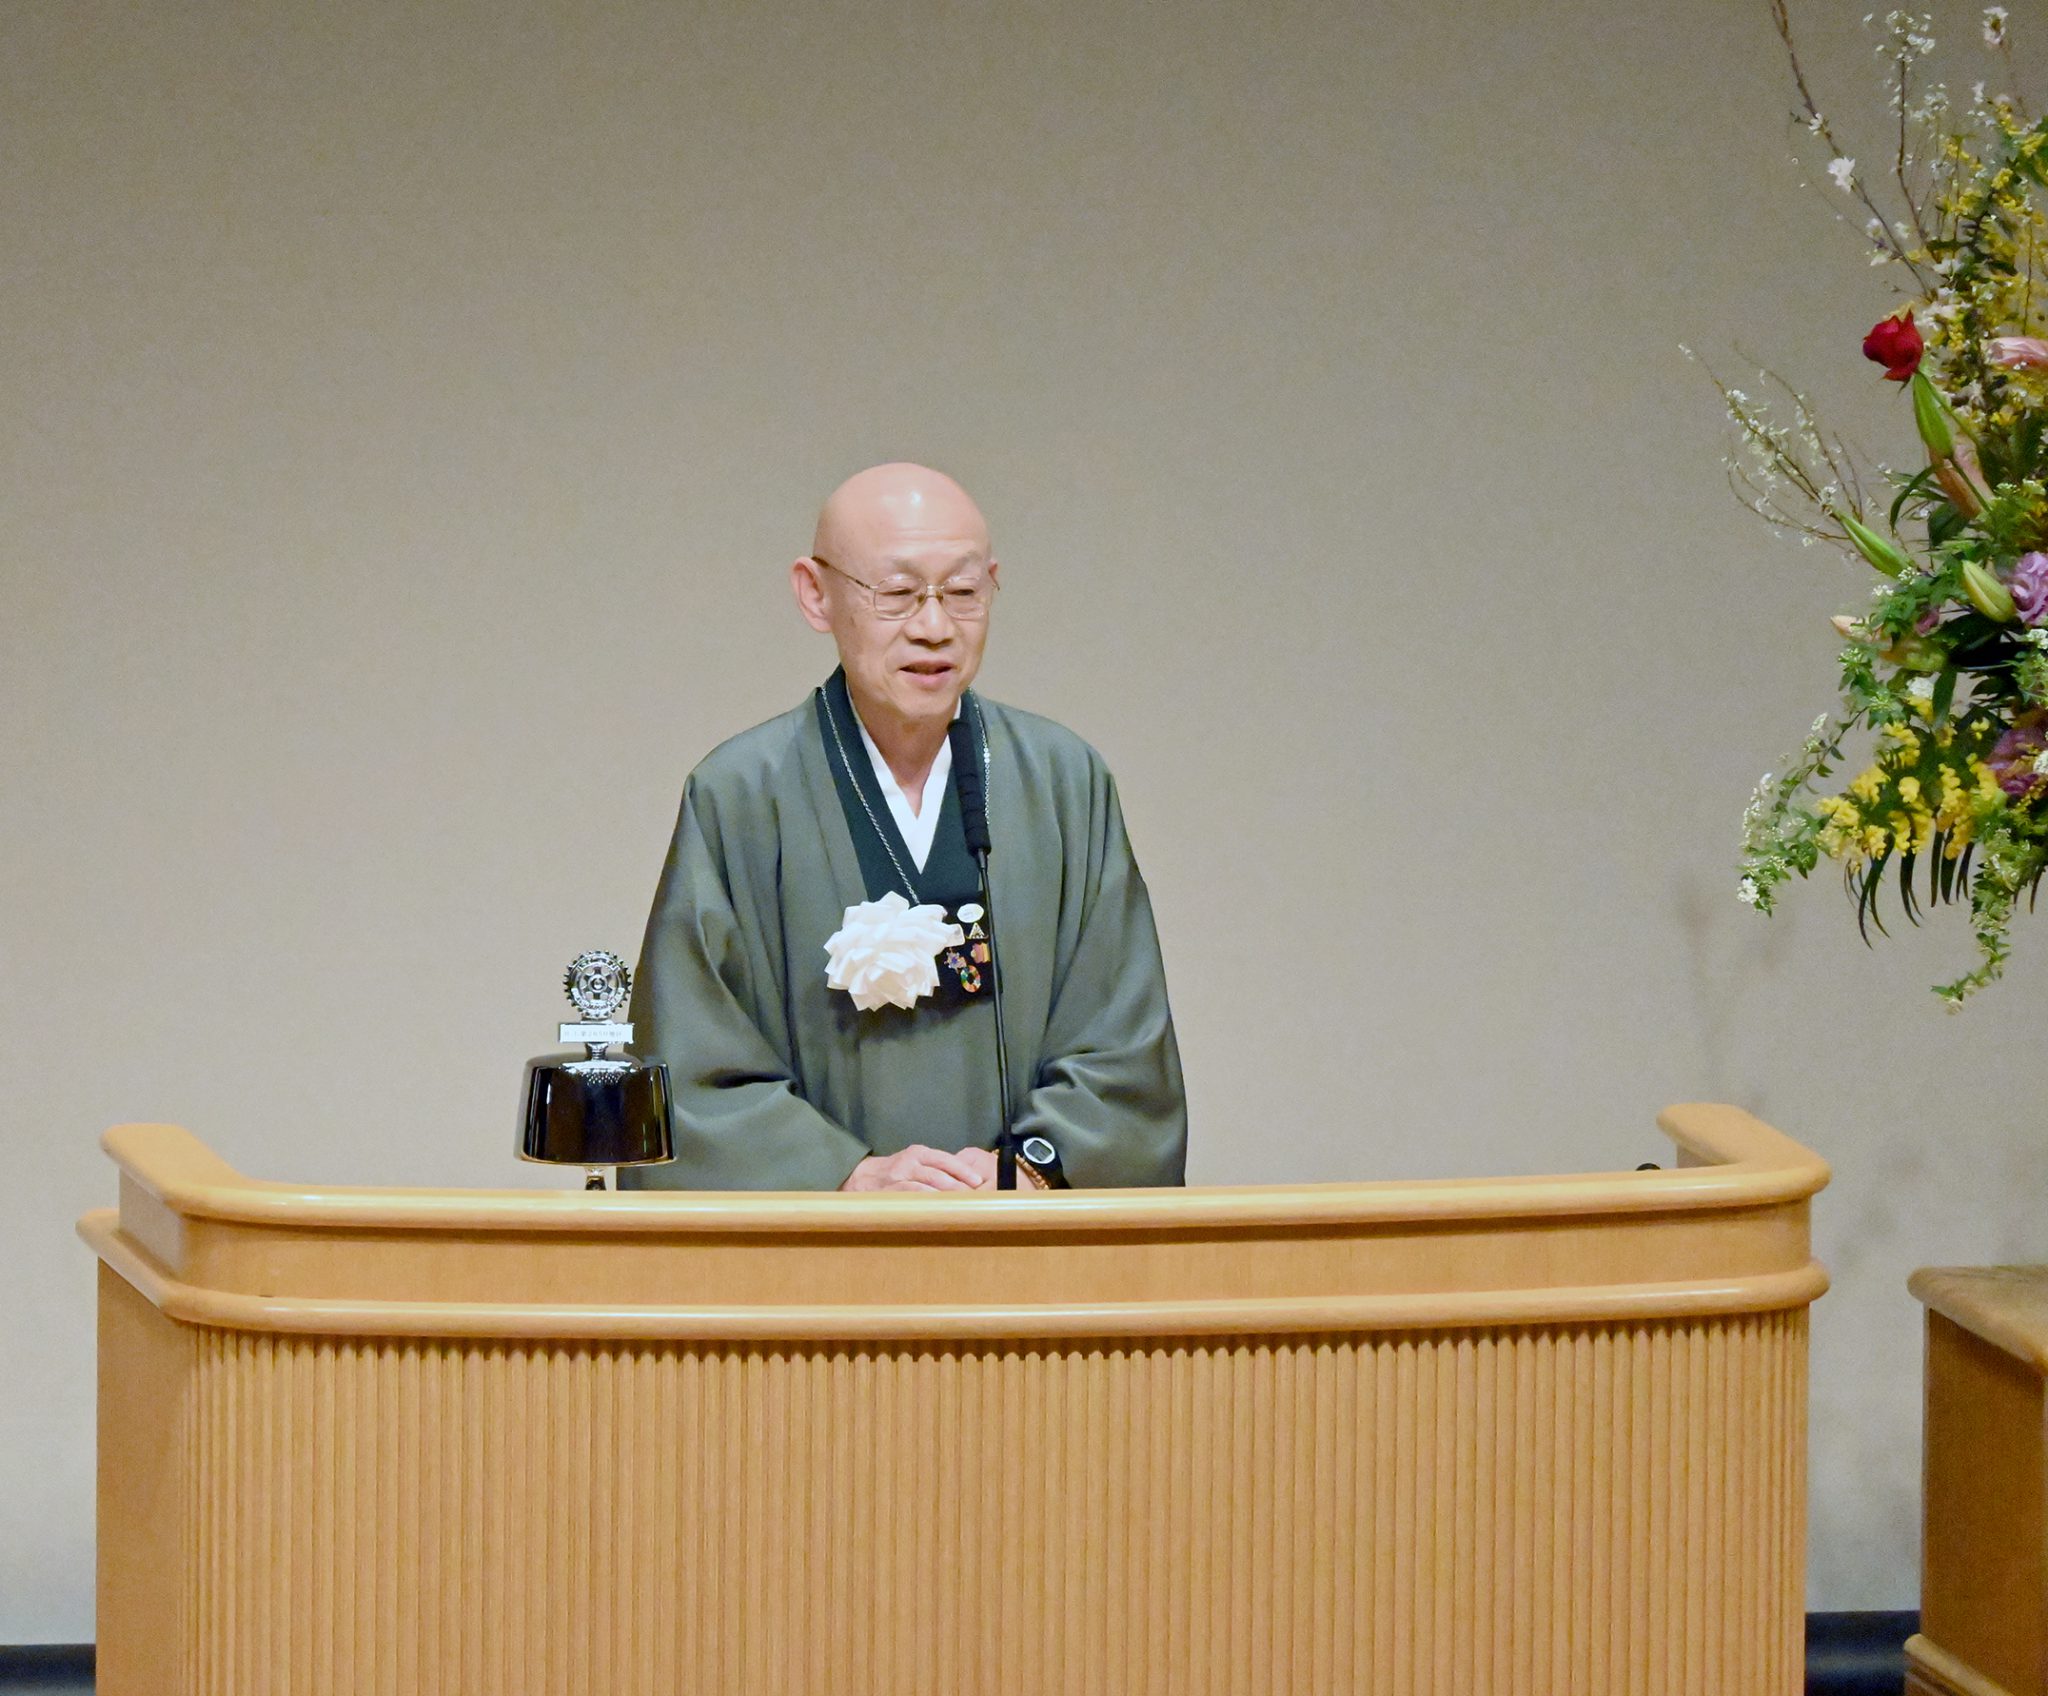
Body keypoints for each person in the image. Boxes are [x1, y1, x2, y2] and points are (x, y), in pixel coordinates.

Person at [622, 463, 1185, 1192]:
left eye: (963, 592)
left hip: (1022, 1241)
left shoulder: (1064, 783)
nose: (934, 627)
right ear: (815, 593)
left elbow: (1125, 1051)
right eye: (896, 594)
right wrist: (845, 1177)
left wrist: (1031, 1169)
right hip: (824, 1254)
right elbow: (691, 1075)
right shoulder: (740, 796)